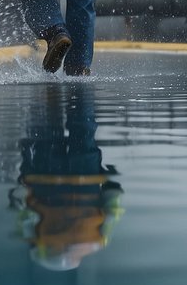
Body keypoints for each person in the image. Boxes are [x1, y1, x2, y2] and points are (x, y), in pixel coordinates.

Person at [11, 83, 123, 271]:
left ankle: (61, 88)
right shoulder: (40, 242)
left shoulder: (96, 241)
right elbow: (21, 207)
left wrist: (111, 183)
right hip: (46, 179)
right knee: (46, 129)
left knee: (83, 128)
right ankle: (56, 88)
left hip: (81, 179)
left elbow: (113, 206)